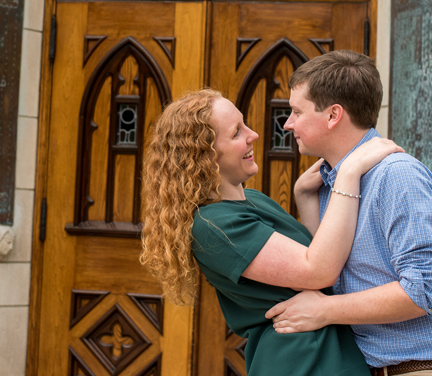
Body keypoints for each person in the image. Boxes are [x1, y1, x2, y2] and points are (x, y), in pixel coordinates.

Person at [140, 89, 402, 376]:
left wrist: (303, 195)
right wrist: (349, 173)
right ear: (206, 154)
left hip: (325, 351)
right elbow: (320, 272)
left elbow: (322, 254)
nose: (253, 134)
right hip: (299, 359)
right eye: (237, 133)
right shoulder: (212, 226)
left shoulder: (254, 200)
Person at [266, 50, 432, 376]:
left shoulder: (397, 175)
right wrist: (304, 196)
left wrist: (325, 311)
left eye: (297, 111)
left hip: (426, 368)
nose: (288, 123)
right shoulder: (328, 182)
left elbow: (422, 291)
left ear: (333, 115)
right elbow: (327, 273)